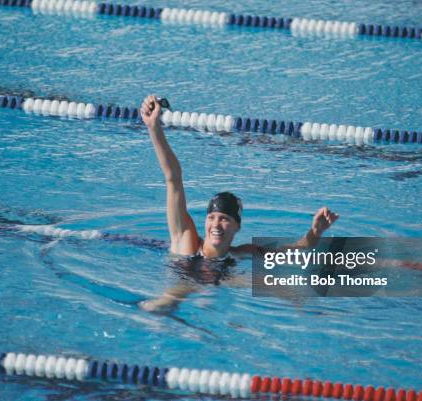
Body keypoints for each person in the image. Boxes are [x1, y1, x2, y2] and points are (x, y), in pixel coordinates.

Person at [138, 95, 339, 312]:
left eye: (224, 219)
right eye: (212, 218)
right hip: (179, 294)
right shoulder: (185, 241)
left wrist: (315, 232)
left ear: (237, 226)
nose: (215, 225)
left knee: (288, 290)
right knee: (169, 299)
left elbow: (298, 249)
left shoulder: (242, 252)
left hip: (220, 285)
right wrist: (153, 128)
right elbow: (173, 178)